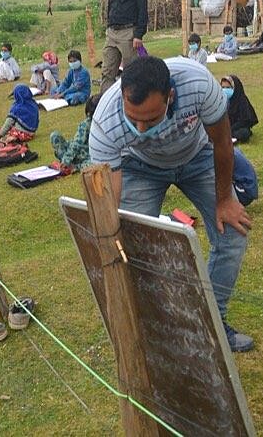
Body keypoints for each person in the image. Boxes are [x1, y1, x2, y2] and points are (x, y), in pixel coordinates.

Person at [89, 56, 254, 352]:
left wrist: (226, 199)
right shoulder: (106, 122)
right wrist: (113, 233)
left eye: (150, 119)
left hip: (197, 156)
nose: (139, 128)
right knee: (132, 246)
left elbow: (222, 141)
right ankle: (156, 333)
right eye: (133, 118)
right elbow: (110, 199)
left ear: (171, 96)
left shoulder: (199, 85)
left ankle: (211, 326)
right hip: (140, 167)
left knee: (232, 233)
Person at [102, 0, 148, 91]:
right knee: (107, 70)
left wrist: (138, 35)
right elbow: (110, 8)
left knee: (131, 71)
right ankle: (105, 102)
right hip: (112, 33)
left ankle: (133, 99)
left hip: (129, 32)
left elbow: (142, 11)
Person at [50, 94, 101, 174]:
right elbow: (75, 144)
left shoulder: (106, 124)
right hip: (76, 153)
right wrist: (66, 161)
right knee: (55, 136)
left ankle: (74, 167)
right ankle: (68, 165)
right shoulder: (86, 124)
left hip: (89, 156)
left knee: (96, 163)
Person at [221, 75, 259, 143]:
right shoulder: (220, 100)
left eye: (228, 87)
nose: (225, 90)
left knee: (244, 133)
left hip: (237, 128)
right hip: (224, 127)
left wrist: (230, 129)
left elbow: (245, 120)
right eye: (223, 87)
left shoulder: (242, 100)